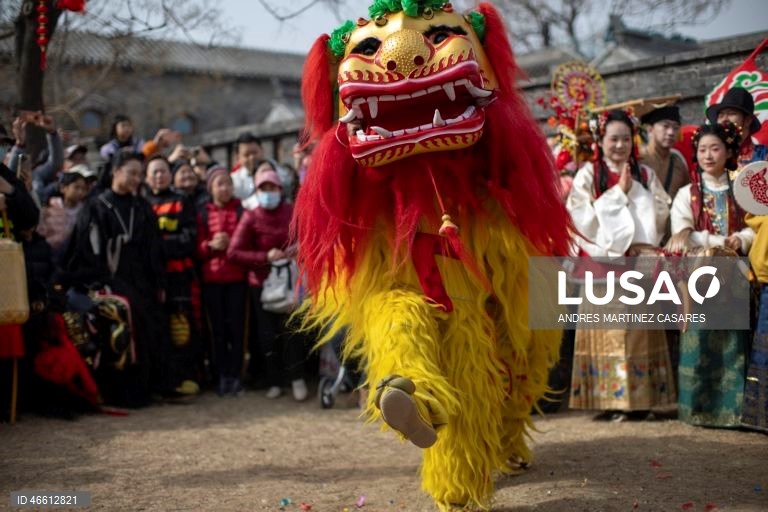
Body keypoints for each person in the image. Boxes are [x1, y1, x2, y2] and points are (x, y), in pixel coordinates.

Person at [567, 109, 675, 421]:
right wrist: (618, 195)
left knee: (638, 330)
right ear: (600, 140)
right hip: (602, 263)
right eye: (613, 139)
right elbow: (580, 218)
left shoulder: (645, 174)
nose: (619, 145)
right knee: (602, 329)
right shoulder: (588, 174)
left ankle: (640, 400)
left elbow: (659, 212)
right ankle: (607, 400)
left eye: (626, 139)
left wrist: (632, 203)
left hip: (635, 262)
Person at [63, 150, 170, 407]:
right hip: (108, 278)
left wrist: (159, 282)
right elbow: (84, 252)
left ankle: (149, 386)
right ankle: (120, 392)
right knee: (124, 316)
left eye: (139, 174)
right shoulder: (97, 206)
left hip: (140, 277)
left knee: (151, 319)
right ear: (115, 171)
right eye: (131, 173)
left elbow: (154, 249)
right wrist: (99, 280)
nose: (136, 179)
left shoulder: (141, 207)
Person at [667, 122, 752, 428]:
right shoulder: (686, 194)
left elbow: (754, 224)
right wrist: (716, 242)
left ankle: (732, 411)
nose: (707, 155)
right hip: (700, 277)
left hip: (733, 277)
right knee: (699, 338)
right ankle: (697, 409)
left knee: (731, 341)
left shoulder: (739, 189)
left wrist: (741, 239)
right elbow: (682, 235)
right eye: (702, 149)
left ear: (729, 151)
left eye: (715, 148)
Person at [228, 169, 305, 400]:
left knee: (294, 332)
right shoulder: (250, 216)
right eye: (263, 188)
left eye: (272, 187)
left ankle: (297, 378)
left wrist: (295, 250)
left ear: (280, 189)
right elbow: (234, 252)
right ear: (257, 191)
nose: (268, 193)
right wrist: (264, 256)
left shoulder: (292, 212)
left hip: (292, 280)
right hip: (262, 284)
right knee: (267, 334)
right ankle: (274, 381)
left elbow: (307, 238)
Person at [144, 155, 200, 396]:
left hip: (178, 277)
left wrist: (158, 247)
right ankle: (161, 379)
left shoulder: (181, 201)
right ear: (147, 178)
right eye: (154, 172)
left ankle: (184, 377)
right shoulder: (141, 204)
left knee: (181, 328)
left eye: (163, 171)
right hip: (150, 278)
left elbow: (188, 238)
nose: (159, 176)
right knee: (156, 327)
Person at [197, 165, 247, 397]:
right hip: (212, 280)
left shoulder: (241, 211)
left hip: (237, 278)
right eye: (219, 183)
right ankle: (220, 376)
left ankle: (236, 376)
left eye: (228, 183)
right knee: (216, 331)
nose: (225, 188)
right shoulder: (202, 212)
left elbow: (248, 241)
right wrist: (209, 246)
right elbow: (195, 247)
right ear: (210, 188)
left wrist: (232, 245)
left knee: (236, 330)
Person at [36, 165, 91, 260]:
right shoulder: (51, 206)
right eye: (76, 187)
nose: (80, 192)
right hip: (50, 254)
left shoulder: (86, 210)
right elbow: (41, 231)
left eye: (83, 189)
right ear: (63, 188)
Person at [640, 105, 690, 201]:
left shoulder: (678, 161)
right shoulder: (639, 159)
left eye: (675, 128)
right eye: (665, 126)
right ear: (650, 130)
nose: (671, 132)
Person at [706, 87, 766, 166]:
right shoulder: (709, 158)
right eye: (721, 115)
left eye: (731, 113)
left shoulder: (764, 156)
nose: (724, 119)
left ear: (748, 120)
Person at [230, 132, 263, 200]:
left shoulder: (277, 171)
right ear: (237, 157)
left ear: (262, 151)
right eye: (246, 155)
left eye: (255, 152)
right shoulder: (234, 181)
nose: (252, 157)